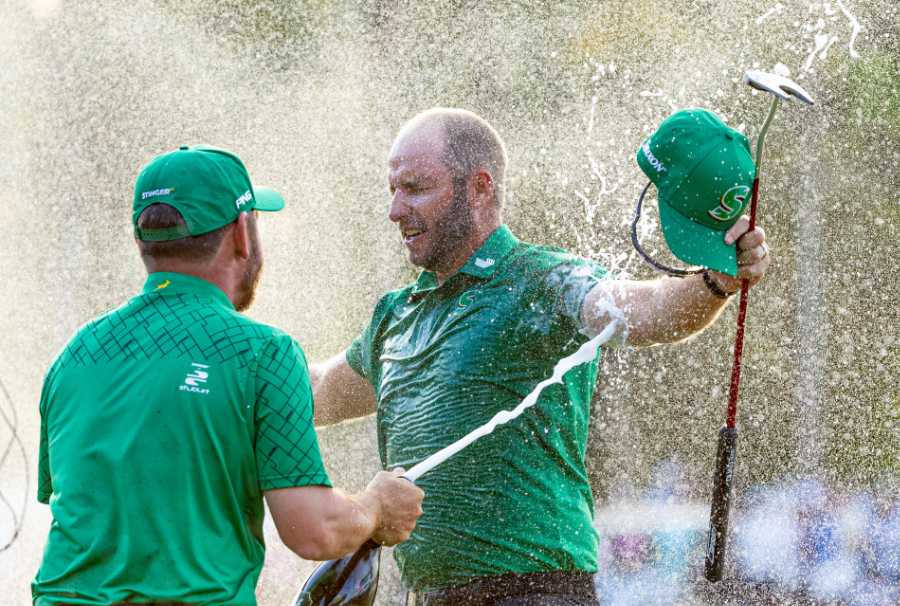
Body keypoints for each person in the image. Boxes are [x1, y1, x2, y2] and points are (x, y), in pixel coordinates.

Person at [310, 108, 771, 605]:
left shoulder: (540, 280)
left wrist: (717, 282)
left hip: (535, 592)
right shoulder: (396, 314)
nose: (396, 210)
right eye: (393, 190)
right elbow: (314, 394)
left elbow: (647, 310)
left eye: (416, 188)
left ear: (479, 187)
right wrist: (225, 370)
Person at [32, 145, 424, 606]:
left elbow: (84, 506)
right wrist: (375, 507)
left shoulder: (74, 356)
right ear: (242, 232)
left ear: (143, 241)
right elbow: (313, 531)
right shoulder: (261, 352)